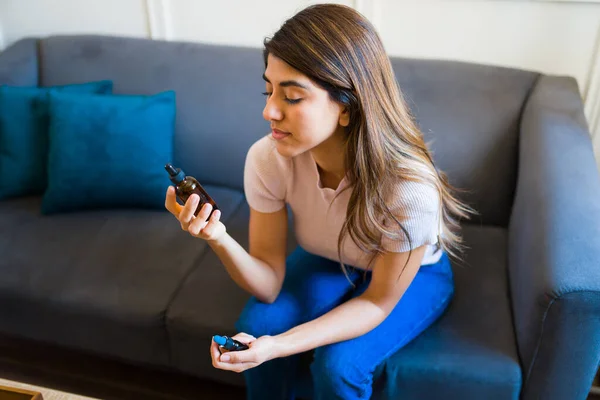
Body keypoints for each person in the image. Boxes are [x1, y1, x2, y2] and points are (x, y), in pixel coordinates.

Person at [165, 3, 475, 400]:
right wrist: (216, 235)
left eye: (292, 97)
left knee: (339, 367)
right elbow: (268, 284)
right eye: (269, 89)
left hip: (412, 275)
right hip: (329, 259)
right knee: (256, 328)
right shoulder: (267, 159)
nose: (268, 111)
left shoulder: (410, 189)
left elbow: (378, 303)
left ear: (346, 107)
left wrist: (279, 346)